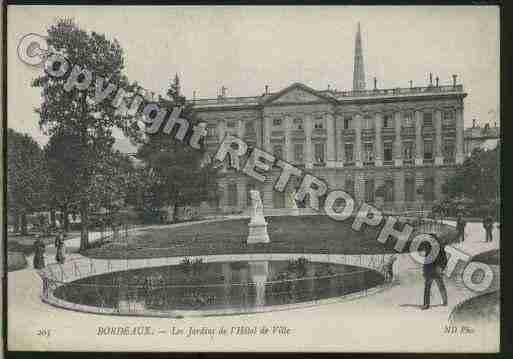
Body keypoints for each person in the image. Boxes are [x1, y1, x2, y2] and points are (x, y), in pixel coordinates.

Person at [421, 235, 448, 310]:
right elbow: (426, 261)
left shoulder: (441, 249)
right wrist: (424, 271)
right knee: (427, 287)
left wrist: (441, 268)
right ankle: (426, 304)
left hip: (437, 270)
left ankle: (445, 300)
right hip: (429, 271)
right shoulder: (428, 249)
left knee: (441, 286)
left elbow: (444, 260)